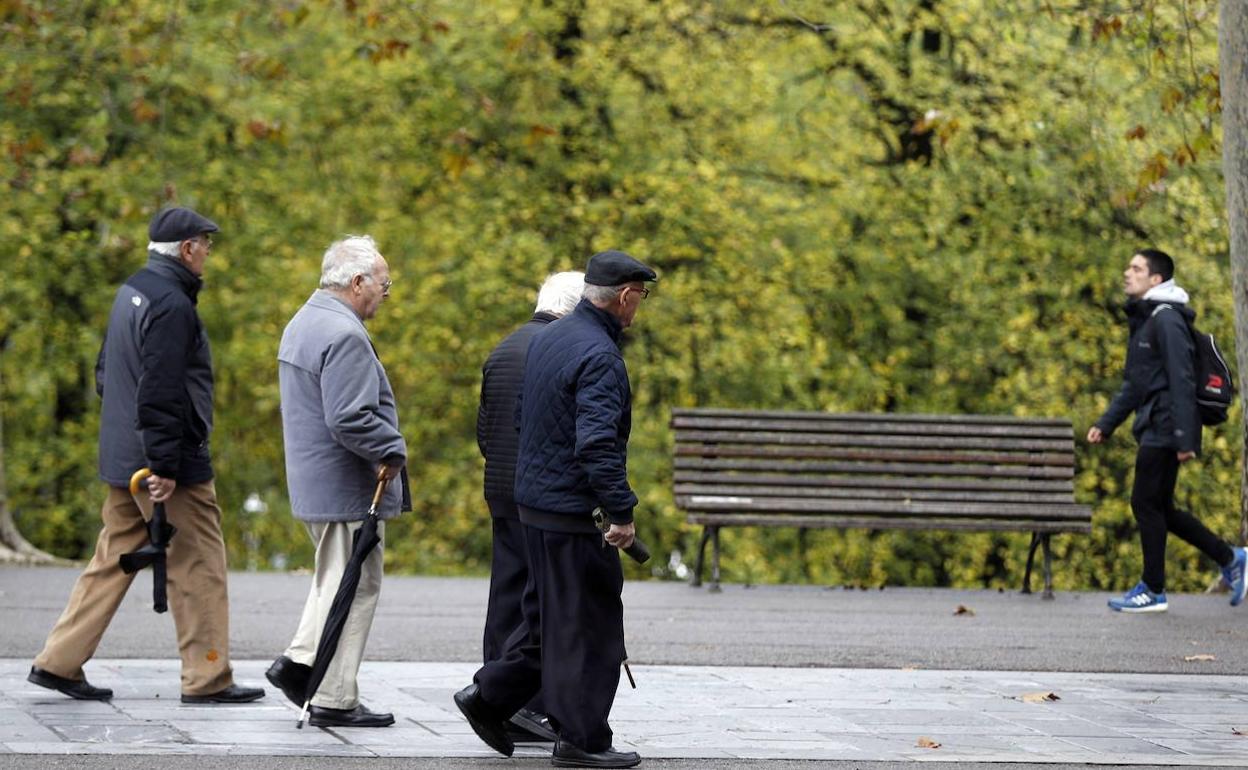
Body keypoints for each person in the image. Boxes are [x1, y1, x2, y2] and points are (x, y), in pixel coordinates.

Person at [28, 206, 265, 704]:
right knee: (199, 563)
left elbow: (105, 372)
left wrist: (132, 446)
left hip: (123, 455)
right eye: (205, 244)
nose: (208, 253)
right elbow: (160, 391)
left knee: (113, 558)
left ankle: (59, 661)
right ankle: (207, 678)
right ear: (186, 249)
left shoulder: (132, 291)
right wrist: (164, 465)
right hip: (163, 464)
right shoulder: (173, 306)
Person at [455, 250, 656, 770]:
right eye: (642, 296)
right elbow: (597, 446)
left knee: (547, 624)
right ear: (626, 296)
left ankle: (489, 698)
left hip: (534, 508)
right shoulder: (600, 356)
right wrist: (621, 512)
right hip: (571, 513)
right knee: (591, 628)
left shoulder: (549, 340)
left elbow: (523, 420)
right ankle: (582, 740)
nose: (640, 308)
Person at [264, 235, 409, 728]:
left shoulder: (304, 321)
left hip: (316, 482)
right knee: (355, 585)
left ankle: (307, 669)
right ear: (357, 282)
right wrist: (392, 448)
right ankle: (327, 690)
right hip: (346, 486)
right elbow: (349, 417)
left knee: (337, 580)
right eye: (384, 285)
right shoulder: (343, 333)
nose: (386, 295)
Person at [1089, 248, 1247, 613]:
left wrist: (1184, 437)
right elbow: (1135, 383)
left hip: (1165, 425)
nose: (1127, 273)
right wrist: (1106, 423)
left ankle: (1154, 589)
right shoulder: (1149, 321)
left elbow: (1182, 378)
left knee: (1145, 502)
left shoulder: (1167, 319)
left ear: (1155, 279)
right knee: (1160, 506)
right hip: (1158, 423)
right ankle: (1231, 557)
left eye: (1136, 268)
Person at [476, 271, 585, 743]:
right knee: (540, 602)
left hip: (499, 486)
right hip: (537, 495)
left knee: (505, 596)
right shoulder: (556, 351)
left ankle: (494, 698)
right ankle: (524, 705)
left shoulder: (503, 347)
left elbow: (485, 427)